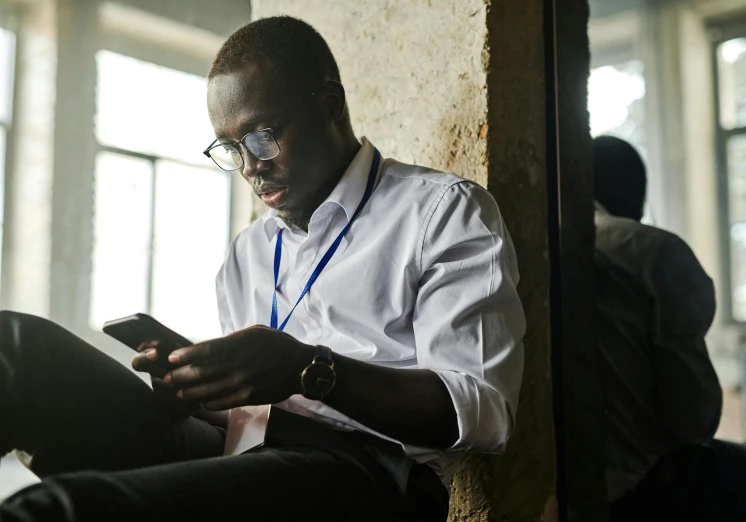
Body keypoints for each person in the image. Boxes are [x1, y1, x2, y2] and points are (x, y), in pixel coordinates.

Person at [0, 16, 525, 522]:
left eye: (262, 136)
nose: (250, 166)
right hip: (243, 450)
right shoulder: (249, 252)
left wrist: (306, 369)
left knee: (62, 509)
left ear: (331, 104)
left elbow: (484, 413)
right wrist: (202, 387)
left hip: (367, 476)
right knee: (17, 348)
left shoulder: (440, 211)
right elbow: (247, 416)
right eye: (231, 148)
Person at [594, 136, 746, 522]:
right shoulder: (650, 251)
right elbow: (695, 418)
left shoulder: (535, 243)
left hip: (564, 485)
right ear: (636, 194)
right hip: (640, 491)